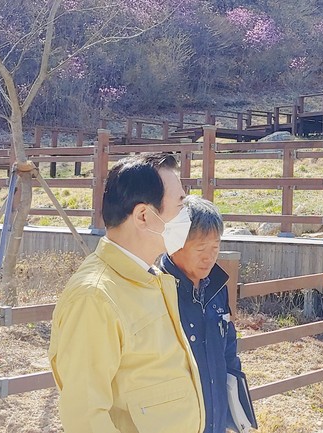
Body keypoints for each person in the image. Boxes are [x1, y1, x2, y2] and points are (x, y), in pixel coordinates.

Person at [48, 153, 205, 433]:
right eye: (180, 206)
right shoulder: (94, 297)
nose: (186, 216)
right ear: (145, 215)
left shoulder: (148, 276)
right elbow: (84, 417)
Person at [159, 196, 249, 433]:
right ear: (175, 242)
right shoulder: (156, 289)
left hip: (215, 418)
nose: (209, 257)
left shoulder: (217, 286)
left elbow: (228, 345)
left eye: (215, 248)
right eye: (201, 248)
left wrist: (233, 399)